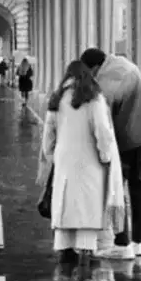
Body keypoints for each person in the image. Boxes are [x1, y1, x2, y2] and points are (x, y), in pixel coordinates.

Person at [40, 61, 121, 266]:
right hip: (90, 164)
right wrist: (105, 156)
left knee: (65, 210)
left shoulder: (57, 98)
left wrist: (53, 157)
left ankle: (65, 264)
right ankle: (85, 268)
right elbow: (102, 131)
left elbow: (48, 135)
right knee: (86, 212)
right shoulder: (94, 98)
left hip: (64, 162)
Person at [80, 47, 141, 259]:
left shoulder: (108, 76)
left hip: (122, 140)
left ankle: (122, 243)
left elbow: (103, 114)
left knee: (115, 190)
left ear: (94, 67)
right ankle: (139, 243)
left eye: (89, 72)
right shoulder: (123, 64)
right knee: (138, 189)